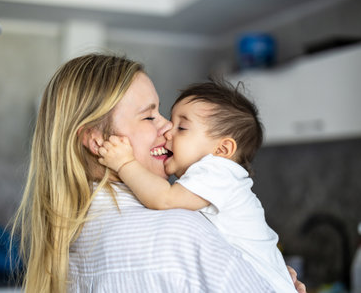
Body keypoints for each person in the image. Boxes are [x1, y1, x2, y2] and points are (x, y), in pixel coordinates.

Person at [12, 53, 306, 293]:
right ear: (96, 140)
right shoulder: (176, 233)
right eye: (149, 115)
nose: (167, 128)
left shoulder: (73, 235)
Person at [97, 78, 297, 292]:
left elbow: (164, 199)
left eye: (181, 127)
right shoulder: (214, 178)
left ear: (222, 150)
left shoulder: (218, 171)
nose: (167, 131)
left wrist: (125, 163)